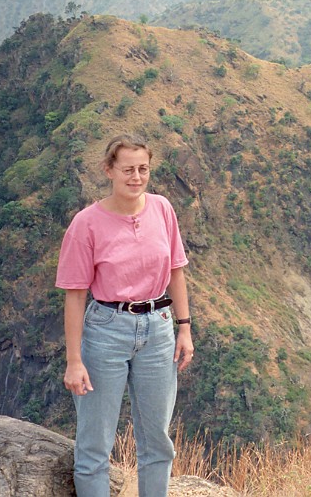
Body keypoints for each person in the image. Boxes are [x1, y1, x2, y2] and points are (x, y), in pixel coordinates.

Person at [56, 134, 194, 497]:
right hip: (106, 330)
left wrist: (185, 328)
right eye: (128, 169)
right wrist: (74, 360)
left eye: (143, 169)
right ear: (109, 170)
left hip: (159, 327)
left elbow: (176, 270)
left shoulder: (162, 209)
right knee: (94, 445)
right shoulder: (86, 224)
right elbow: (74, 294)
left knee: (157, 443)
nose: (136, 177)